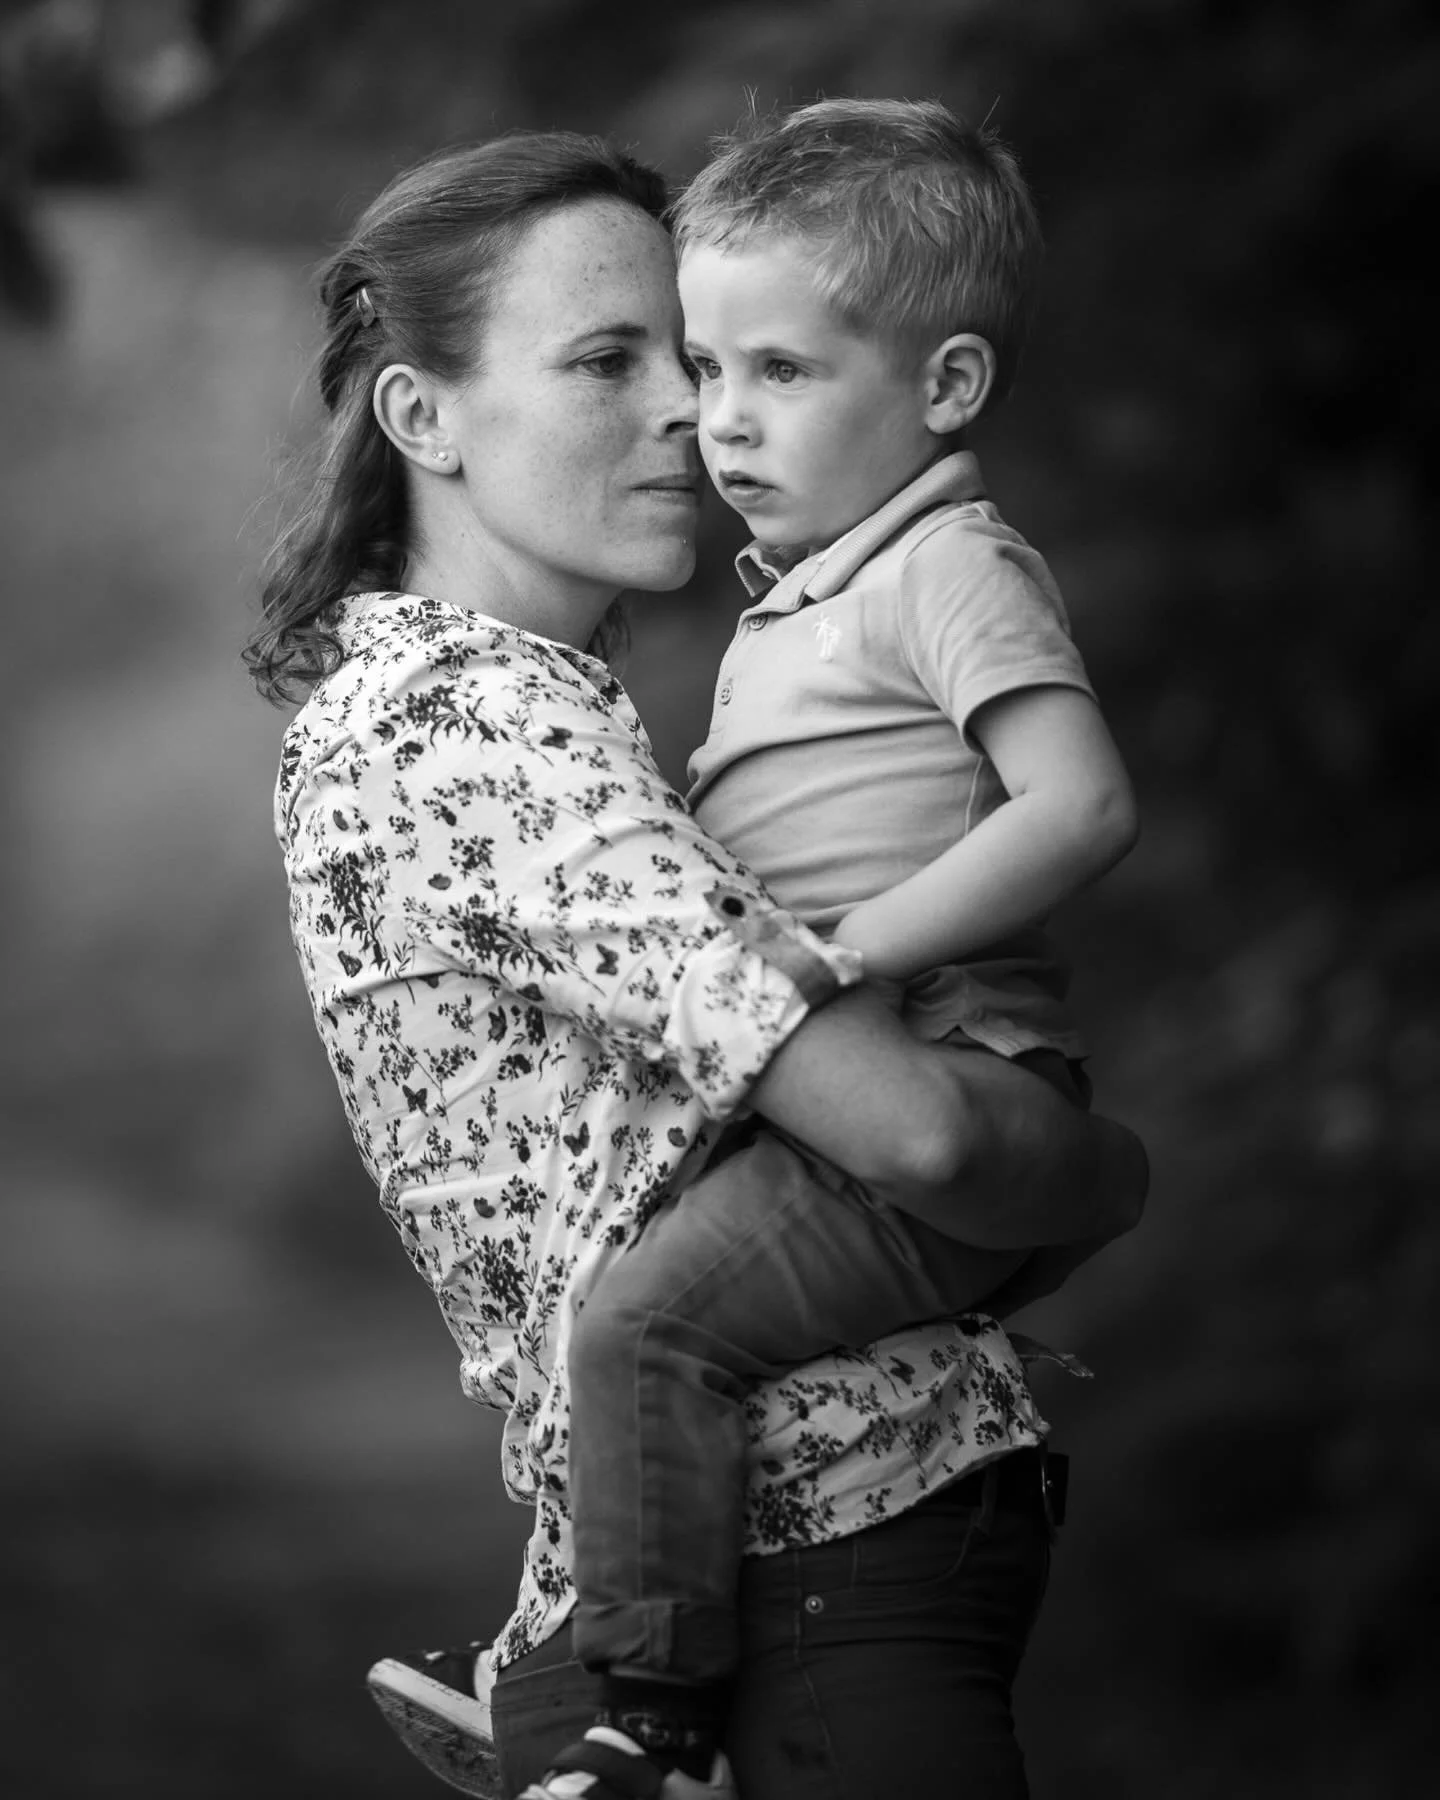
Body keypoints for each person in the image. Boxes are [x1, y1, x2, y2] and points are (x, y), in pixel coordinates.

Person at [250, 131, 1145, 1800]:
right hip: (818, 1556)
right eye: (611, 359)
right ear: (422, 420)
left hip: (798, 1553)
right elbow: (924, 1139)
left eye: (707, 354)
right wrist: (1104, 1171)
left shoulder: (573, 702)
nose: (692, 408)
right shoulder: (468, 724)